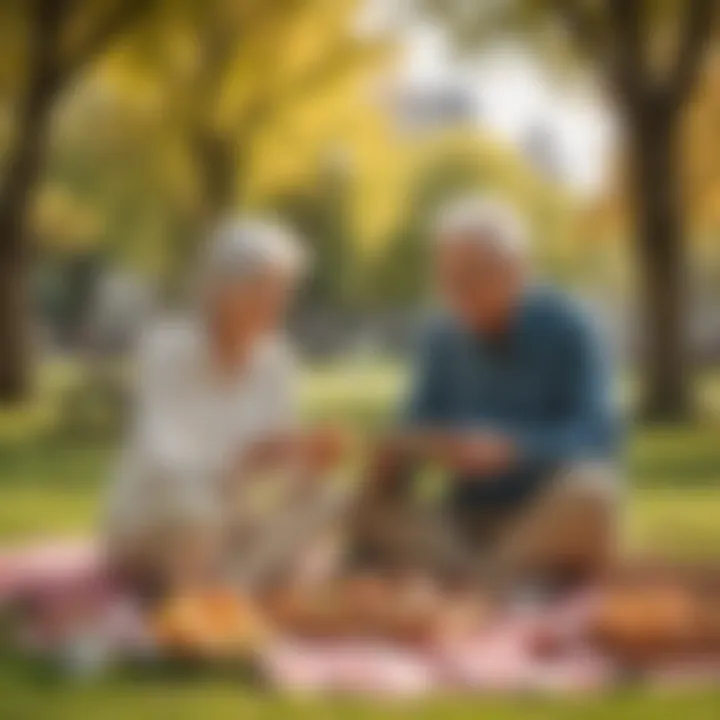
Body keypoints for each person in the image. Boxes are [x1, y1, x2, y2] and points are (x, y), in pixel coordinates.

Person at [354, 195, 621, 589]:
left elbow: (596, 437)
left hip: (540, 520)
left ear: (517, 271)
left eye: (471, 276)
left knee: (595, 494)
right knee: (365, 504)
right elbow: (416, 427)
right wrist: (394, 456)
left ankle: (472, 582)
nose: (456, 292)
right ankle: (491, 583)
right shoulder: (442, 336)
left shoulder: (571, 328)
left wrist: (511, 450)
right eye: (447, 278)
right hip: (462, 522)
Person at [105, 217, 350, 596]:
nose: (278, 302)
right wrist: (242, 458)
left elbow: (275, 462)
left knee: (329, 495)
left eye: (284, 290)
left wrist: (302, 457)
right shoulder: (167, 350)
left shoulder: (278, 360)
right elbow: (164, 457)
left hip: (232, 519)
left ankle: (228, 589)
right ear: (220, 289)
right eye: (265, 288)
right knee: (193, 506)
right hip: (159, 514)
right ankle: (219, 590)